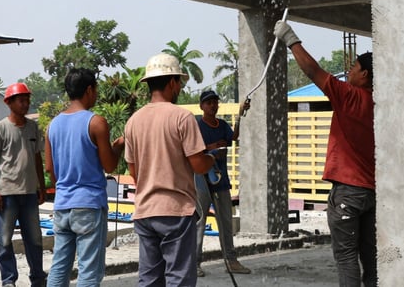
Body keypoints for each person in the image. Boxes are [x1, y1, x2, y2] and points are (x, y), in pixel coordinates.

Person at [274, 20, 376, 287]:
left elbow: (312, 70)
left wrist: (290, 38)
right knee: (371, 257)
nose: (349, 71)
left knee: (346, 257)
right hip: (373, 193)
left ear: (364, 74)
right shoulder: (381, 104)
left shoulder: (350, 96)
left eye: (353, 67)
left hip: (348, 192)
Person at [124, 53, 218, 286]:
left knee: (149, 279)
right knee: (179, 278)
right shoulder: (182, 117)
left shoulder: (134, 121)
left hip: (145, 211)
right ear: (173, 82)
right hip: (176, 211)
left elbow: (134, 171)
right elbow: (198, 164)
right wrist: (212, 160)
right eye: (179, 82)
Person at [44, 68, 126, 286]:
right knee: (89, 270)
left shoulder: (52, 125)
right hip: (89, 204)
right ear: (89, 90)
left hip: (62, 204)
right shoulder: (96, 122)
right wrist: (117, 147)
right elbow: (109, 165)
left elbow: (50, 168)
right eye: (96, 89)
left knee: (60, 266)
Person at [0, 82, 47, 287]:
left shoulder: (33, 128)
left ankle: (38, 278)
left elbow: (37, 158)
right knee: (5, 241)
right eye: (21, 100)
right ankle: (8, 280)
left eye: (27, 100)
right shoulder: (0, 129)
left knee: (35, 240)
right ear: (9, 103)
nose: (26, 104)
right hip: (7, 194)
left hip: (29, 193)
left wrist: (41, 187)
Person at [194, 90, 251, 277]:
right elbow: (191, 148)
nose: (212, 105)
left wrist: (240, 115)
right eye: (208, 103)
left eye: (215, 102)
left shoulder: (222, 125)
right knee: (199, 222)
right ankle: (195, 263)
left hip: (220, 179)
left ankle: (231, 261)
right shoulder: (197, 125)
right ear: (202, 106)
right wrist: (209, 149)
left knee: (225, 222)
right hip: (201, 178)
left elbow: (233, 137)